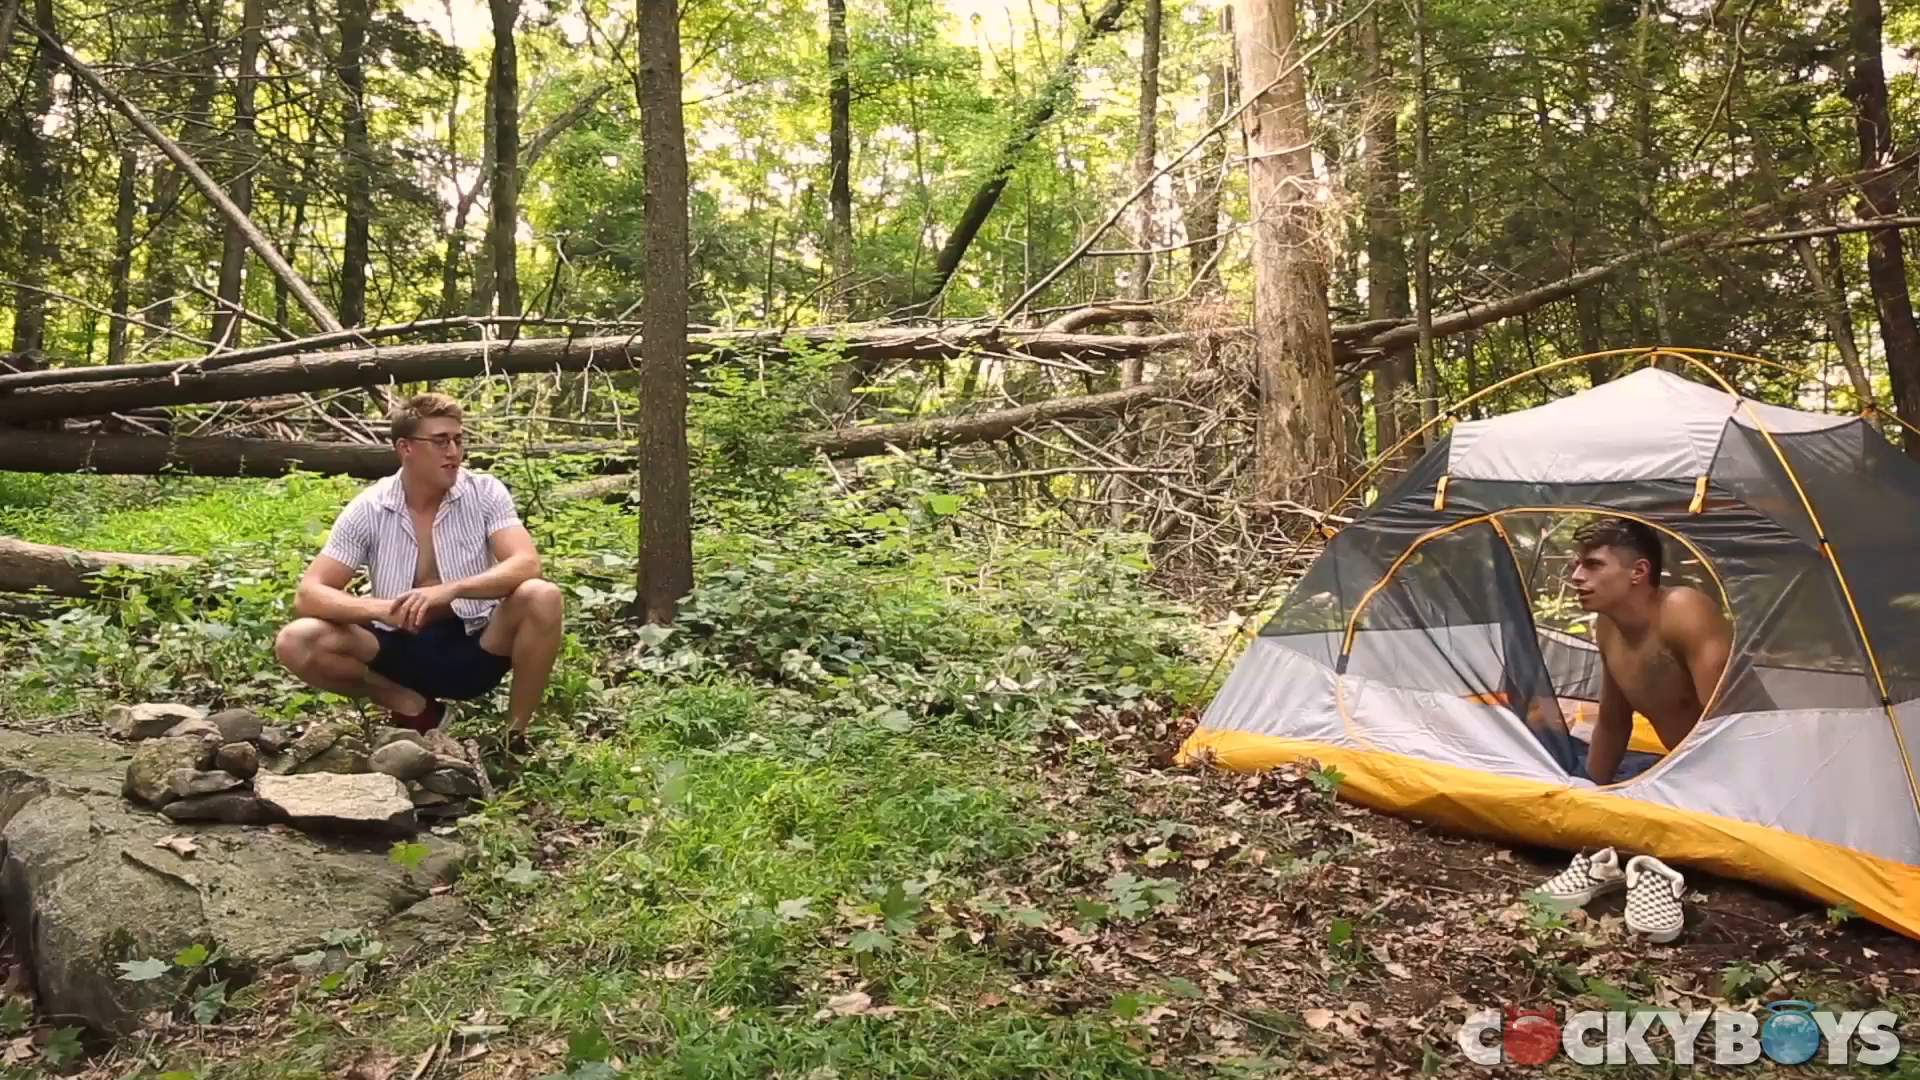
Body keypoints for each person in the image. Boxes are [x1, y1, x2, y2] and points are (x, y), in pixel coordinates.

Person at [273, 392, 564, 749]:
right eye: (440, 441)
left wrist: (451, 589)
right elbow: (309, 594)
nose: (453, 452)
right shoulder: (370, 507)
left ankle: (513, 738)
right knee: (296, 640)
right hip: (395, 649)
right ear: (405, 448)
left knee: (542, 595)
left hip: (477, 645)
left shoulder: (485, 492)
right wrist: (382, 609)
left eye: (458, 440)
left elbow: (526, 563)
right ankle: (412, 705)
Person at [1567, 516, 1732, 784]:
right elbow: (1613, 724)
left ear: (1639, 571)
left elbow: (1728, 723)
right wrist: (1590, 791)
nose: (1577, 577)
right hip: (1687, 772)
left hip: (1738, 772)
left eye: (1593, 565)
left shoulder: (1684, 610)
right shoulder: (1608, 626)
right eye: (1577, 565)